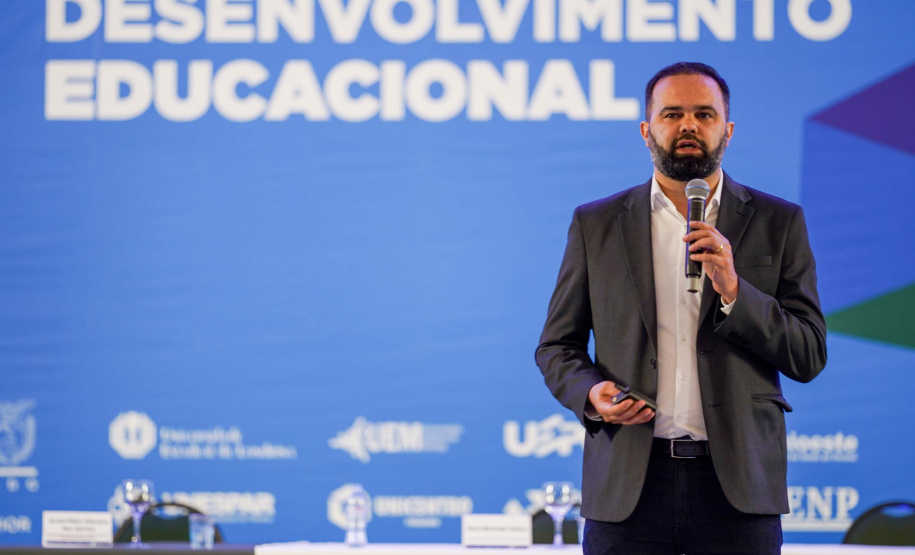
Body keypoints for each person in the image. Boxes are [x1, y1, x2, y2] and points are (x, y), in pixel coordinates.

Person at [535, 62, 827, 554]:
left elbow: (809, 354)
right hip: (629, 487)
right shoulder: (597, 224)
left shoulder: (779, 221)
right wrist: (591, 394)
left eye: (704, 114)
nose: (688, 125)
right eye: (672, 114)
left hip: (737, 488)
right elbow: (557, 347)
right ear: (647, 130)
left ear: (727, 130)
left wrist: (736, 291)